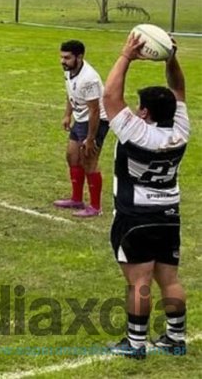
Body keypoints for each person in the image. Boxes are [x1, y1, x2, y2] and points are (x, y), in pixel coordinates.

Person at [103, 34, 189, 359]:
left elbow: (111, 95)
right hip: (169, 214)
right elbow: (179, 90)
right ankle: (175, 338)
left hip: (135, 217)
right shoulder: (180, 131)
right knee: (169, 278)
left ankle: (135, 344)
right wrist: (170, 58)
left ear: (146, 112)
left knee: (139, 281)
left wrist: (126, 56)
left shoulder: (136, 131)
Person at [54, 40, 109, 218]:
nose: (63, 61)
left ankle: (95, 207)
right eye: (62, 57)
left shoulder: (89, 79)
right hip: (80, 119)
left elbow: (95, 110)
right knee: (72, 156)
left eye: (67, 58)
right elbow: (70, 94)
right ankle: (76, 199)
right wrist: (67, 115)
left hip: (95, 121)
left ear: (79, 57)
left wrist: (91, 138)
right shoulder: (69, 71)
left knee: (89, 161)